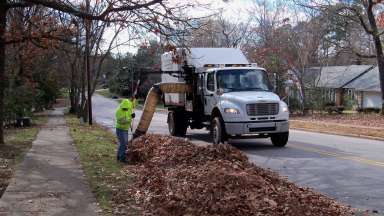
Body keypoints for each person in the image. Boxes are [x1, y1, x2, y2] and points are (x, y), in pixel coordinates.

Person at [115, 96, 136, 163]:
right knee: (124, 144)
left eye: (127, 109)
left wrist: (135, 98)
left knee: (123, 143)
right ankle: (122, 158)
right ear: (122, 107)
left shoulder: (128, 107)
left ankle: (118, 156)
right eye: (124, 109)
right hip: (120, 129)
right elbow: (123, 121)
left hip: (125, 130)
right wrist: (131, 117)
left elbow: (133, 104)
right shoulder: (119, 112)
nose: (126, 110)